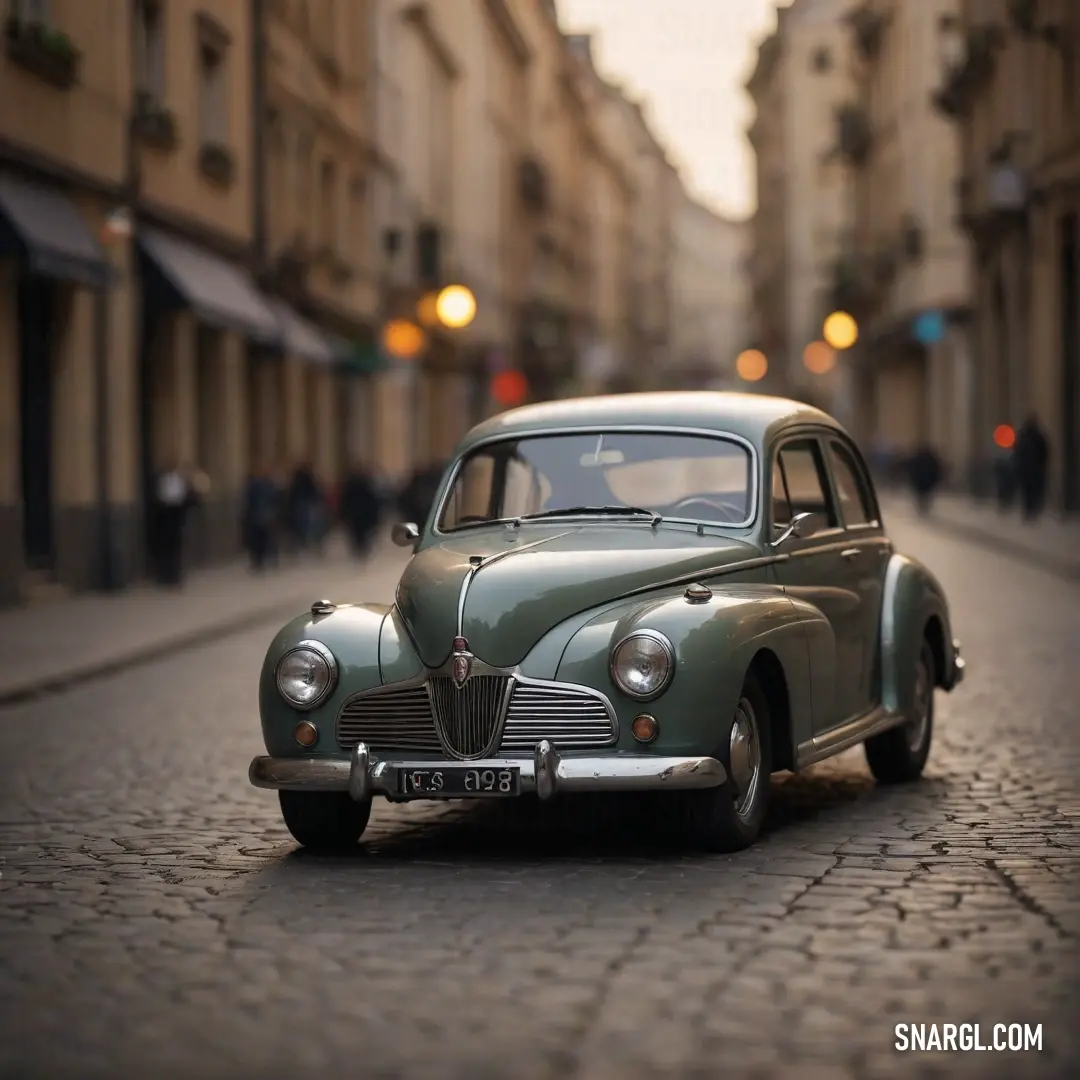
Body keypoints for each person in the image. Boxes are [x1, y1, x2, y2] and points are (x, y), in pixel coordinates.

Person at [151, 456, 198, 586]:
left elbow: (188, 497)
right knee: (165, 547)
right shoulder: (162, 480)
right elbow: (157, 497)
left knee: (177, 547)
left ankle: (176, 576)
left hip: (177, 515)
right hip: (164, 516)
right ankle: (165, 576)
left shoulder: (180, 480)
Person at [241, 464, 281, 571]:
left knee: (260, 539)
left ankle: (260, 560)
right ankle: (261, 559)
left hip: (260, 515)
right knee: (262, 538)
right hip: (261, 515)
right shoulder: (267, 485)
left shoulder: (262, 485)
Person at [340, 460, 383, 556]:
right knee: (360, 531)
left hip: (357, 512)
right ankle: (360, 547)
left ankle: (360, 547)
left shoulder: (353, 484)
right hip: (360, 512)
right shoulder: (362, 484)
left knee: (358, 531)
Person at [1013, 413, 1050, 521]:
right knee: (1031, 492)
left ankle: (1030, 512)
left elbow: (1017, 451)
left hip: (1029, 470)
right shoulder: (1034, 436)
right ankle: (1031, 511)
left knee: (1029, 492)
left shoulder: (1025, 436)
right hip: (1032, 470)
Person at [907, 444, 944, 515]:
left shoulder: (918, 459)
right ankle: (924, 506)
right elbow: (937, 470)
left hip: (920, 480)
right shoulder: (932, 459)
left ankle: (922, 506)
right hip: (927, 480)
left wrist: (912, 479)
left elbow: (912, 469)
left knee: (921, 494)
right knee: (926, 494)